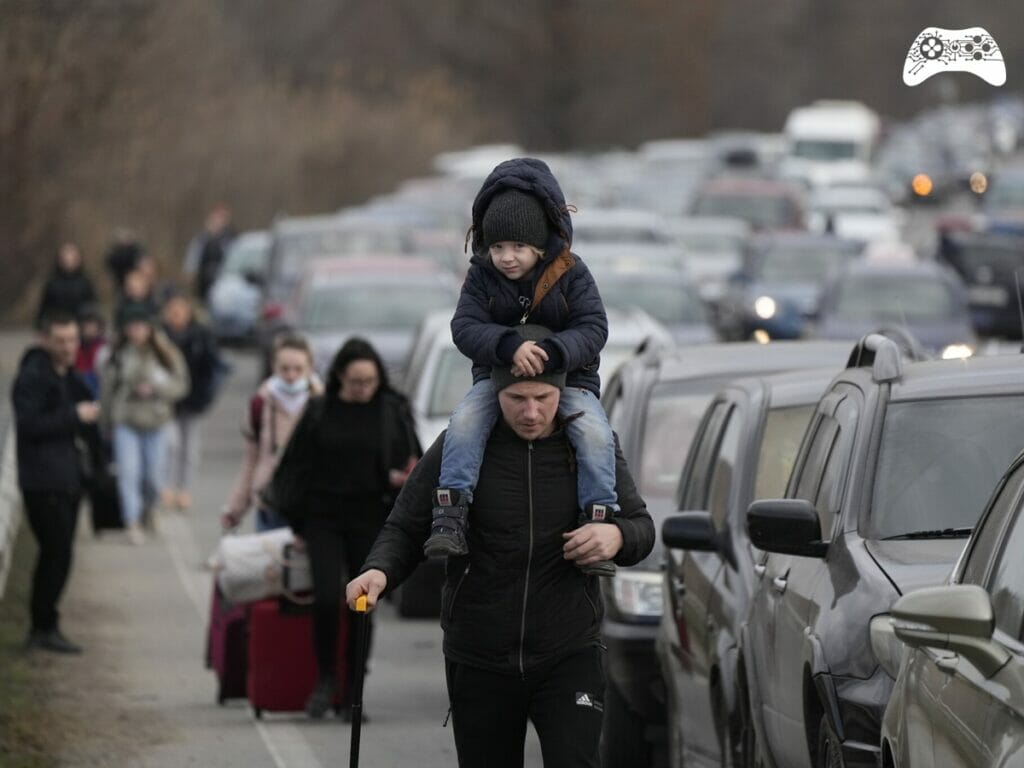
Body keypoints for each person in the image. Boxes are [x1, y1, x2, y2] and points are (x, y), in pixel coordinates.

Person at [345, 329, 654, 767]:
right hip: (480, 653)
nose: (531, 413)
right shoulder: (460, 448)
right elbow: (406, 524)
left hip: (569, 649)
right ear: (494, 394)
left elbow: (642, 528)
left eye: (543, 399)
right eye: (517, 400)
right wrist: (379, 570)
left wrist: (617, 536)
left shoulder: (591, 449)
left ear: (562, 395)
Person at [423, 157, 618, 577]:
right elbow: (464, 327)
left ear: (539, 245)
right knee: (464, 423)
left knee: (595, 435)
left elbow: (594, 327)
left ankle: (598, 519)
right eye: (497, 248)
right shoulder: (480, 278)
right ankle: (451, 513)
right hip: (496, 381)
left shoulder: (572, 272)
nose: (506, 258)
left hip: (572, 381)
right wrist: (507, 345)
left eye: (517, 248)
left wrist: (553, 352)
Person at [270, 338, 420, 719]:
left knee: (362, 604)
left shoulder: (391, 410)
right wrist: (295, 519)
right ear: (338, 376)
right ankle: (325, 679)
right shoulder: (320, 411)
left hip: (371, 517)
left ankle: (354, 689)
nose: (363, 389)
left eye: (369, 381)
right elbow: (293, 467)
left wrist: (403, 477)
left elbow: (414, 462)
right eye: (355, 381)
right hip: (322, 517)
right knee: (324, 598)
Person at [12, 311, 101, 653]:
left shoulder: (71, 377)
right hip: (41, 480)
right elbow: (30, 426)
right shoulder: (33, 377)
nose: (67, 347)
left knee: (60, 554)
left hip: (68, 478)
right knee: (55, 552)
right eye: (61, 340)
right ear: (46, 340)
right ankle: (41, 625)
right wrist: (74, 416)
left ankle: (47, 624)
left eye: (73, 340)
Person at [100, 304, 189, 544]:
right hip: (126, 420)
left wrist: (156, 389)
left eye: (141, 326)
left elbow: (181, 385)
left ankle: (151, 508)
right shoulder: (117, 355)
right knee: (129, 473)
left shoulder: (165, 354)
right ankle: (132, 521)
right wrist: (105, 422)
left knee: (153, 475)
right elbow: (107, 391)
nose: (136, 331)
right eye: (132, 327)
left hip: (156, 420)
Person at [221, 333, 322, 532]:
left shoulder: (322, 403)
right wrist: (234, 510)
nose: (291, 376)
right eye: (285, 369)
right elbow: (251, 461)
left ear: (310, 368)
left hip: (310, 505)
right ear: (273, 366)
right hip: (271, 502)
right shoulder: (261, 403)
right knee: (268, 562)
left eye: (298, 369)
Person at [160, 291, 228, 511]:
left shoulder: (200, 336)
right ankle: (167, 486)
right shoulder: (160, 338)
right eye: (172, 311)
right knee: (171, 445)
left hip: (193, 400)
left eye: (180, 311)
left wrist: (206, 395)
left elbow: (214, 368)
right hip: (168, 401)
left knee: (189, 447)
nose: (176, 315)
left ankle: (184, 489)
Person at [35, 242, 97, 330]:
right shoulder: (52, 282)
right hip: (57, 326)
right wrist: (41, 325)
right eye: (65, 258)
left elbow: (91, 305)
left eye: (72, 258)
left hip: (79, 325)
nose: (68, 261)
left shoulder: (85, 282)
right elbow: (44, 307)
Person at [184, 204, 234, 304]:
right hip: (204, 280)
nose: (220, 221)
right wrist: (190, 274)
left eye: (223, 218)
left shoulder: (230, 239)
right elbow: (193, 258)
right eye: (218, 218)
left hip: (222, 280)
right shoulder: (202, 239)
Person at [74, 304, 108, 398]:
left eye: (93, 325)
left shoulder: (104, 347)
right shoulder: (74, 345)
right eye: (87, 325)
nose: (90, 329)